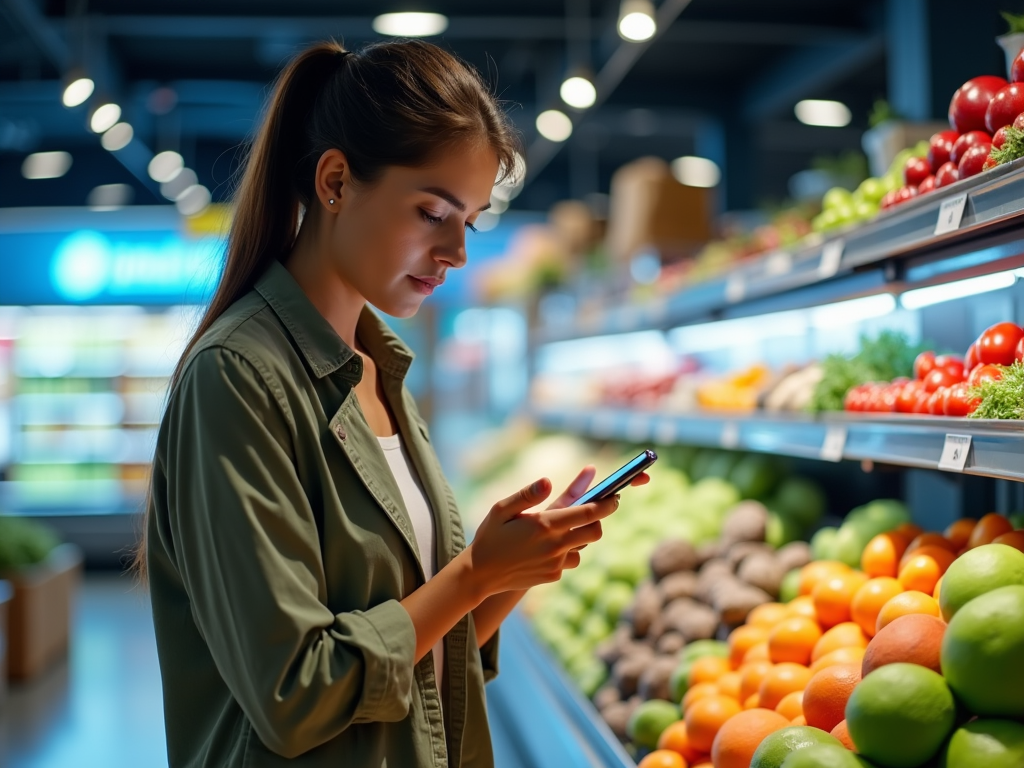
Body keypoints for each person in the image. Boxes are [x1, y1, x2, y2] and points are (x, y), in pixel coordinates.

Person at [137, 39, 647, 767]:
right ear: (337, 181)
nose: (457, 253)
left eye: (467, 222)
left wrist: (508, 572)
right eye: (433, 212)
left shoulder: (379, 372)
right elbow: (297, 693)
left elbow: (416, 659)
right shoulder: (238, 378)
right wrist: (472, 573)